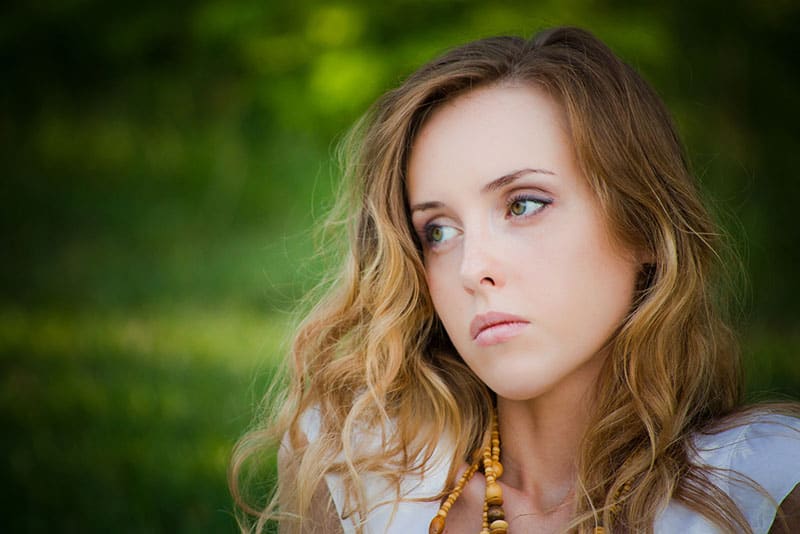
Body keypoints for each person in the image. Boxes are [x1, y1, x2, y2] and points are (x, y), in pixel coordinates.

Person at [229, 26, 800, 533]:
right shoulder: (359, 478)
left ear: (644, 226)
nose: (473, 268)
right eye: (439, 231)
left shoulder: (761, 490)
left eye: (524, 204)